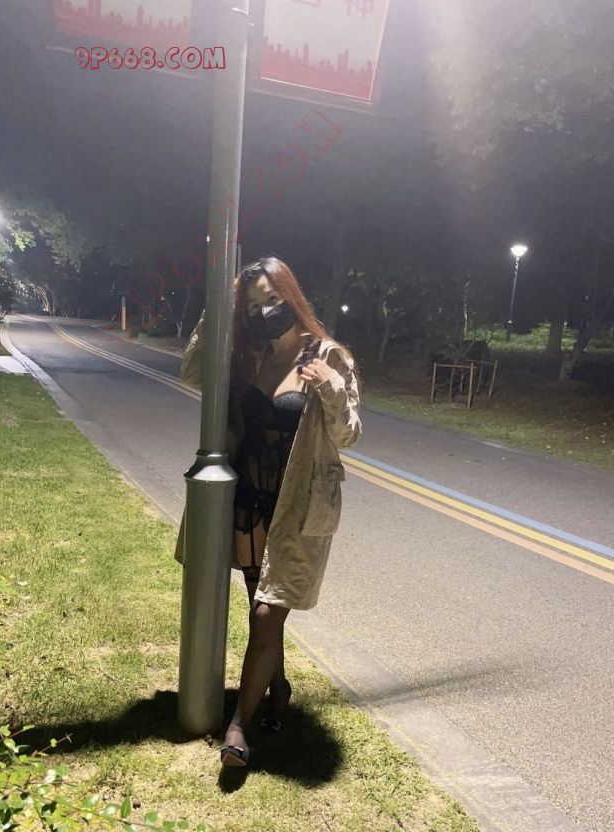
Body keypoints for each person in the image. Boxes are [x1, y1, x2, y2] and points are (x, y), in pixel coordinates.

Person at [175, 256, 361, 768]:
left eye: (272, 301)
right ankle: (278, 689)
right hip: (248, 502)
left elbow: (348, 434)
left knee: (266, 612)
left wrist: (330, 385)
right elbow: (193, 373)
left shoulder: (329, 356)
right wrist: (217, 309)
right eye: (253, 306)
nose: (264, 313)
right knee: (261, 609)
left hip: (297, 509)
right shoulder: (249, 356)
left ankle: (239, 724)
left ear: (291, 297)